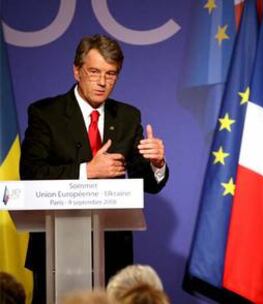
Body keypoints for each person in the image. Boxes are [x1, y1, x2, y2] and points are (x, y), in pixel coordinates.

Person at [20, 34, 169, 303]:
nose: (102, 82)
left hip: (111, 250)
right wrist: (86, 171)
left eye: (111, 74)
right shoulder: (45, 113)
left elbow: (144, 180)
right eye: (94, 72)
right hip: (57, 248)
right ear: (77, 71)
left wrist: (156, 164)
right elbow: (31, 173)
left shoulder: (126, 116)